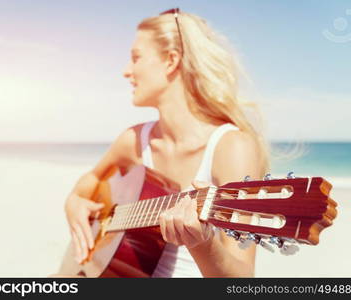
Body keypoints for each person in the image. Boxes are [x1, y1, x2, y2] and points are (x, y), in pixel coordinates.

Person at [64, 8, 269, 277]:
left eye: (136, 58)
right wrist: (74, 201)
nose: (127, 71)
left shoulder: (232, 147)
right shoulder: (134, 140)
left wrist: (203, 244)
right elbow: (90, 181)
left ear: (171, 61)